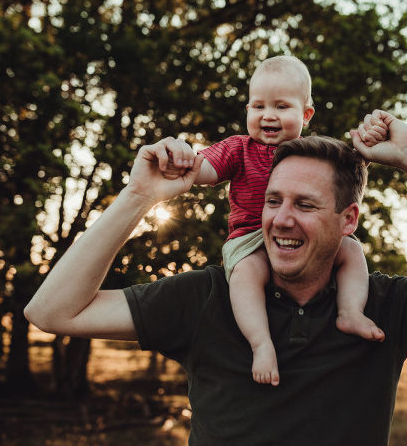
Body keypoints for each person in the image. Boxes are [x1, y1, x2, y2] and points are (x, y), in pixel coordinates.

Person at [24, 110, 407, 445]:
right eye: (273, 200)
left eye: (305, 204)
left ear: (348, 220)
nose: (280, 219)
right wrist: (139, 197)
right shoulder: (207, 296)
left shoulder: (383, 307)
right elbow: (52, 312)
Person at [161, 55, 384, 386]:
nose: (268, 115)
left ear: (306, 114)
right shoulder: (239, 149)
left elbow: (348, 175)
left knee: (351, 250)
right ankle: (261, 343)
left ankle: (350, 311)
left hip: (300, 239)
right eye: (258, 106)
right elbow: (204, 170)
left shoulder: (312, 153)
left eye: (281, 107)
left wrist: (370, 146)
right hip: (249, 238)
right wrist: (183, 158)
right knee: (246, 274)